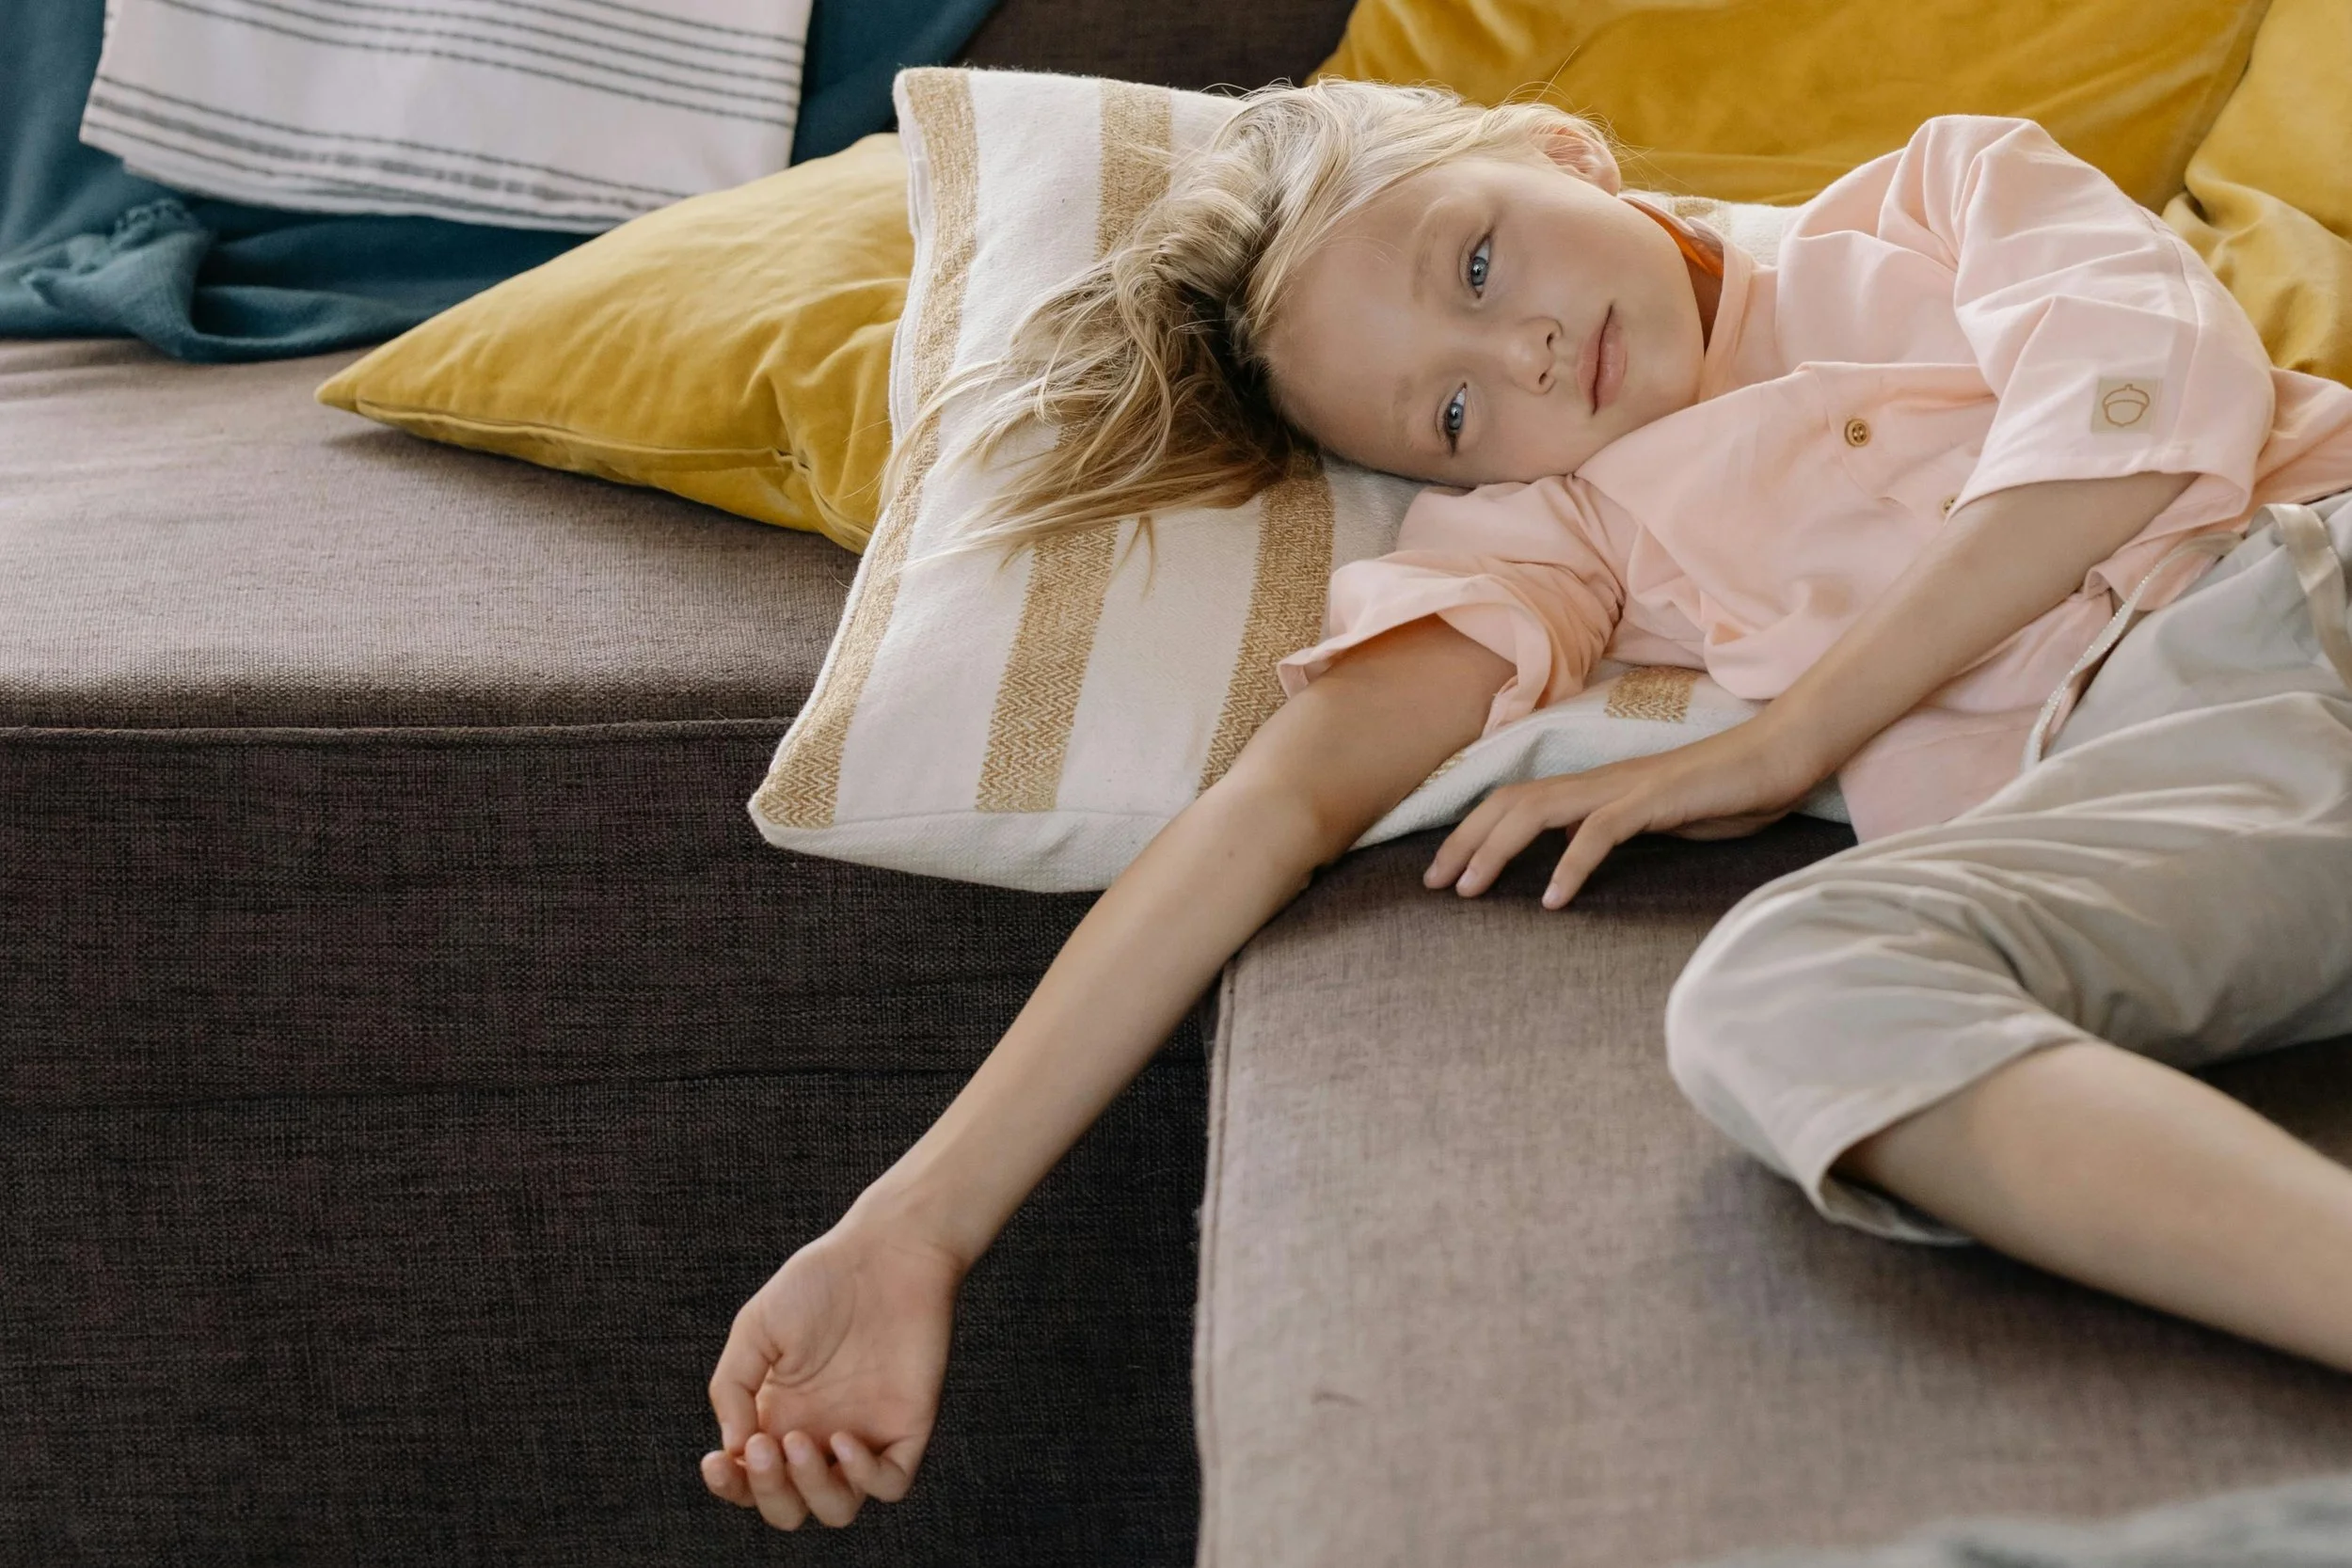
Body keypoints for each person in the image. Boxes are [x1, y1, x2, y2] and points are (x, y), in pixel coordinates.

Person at [698, 80, 2352, 1530]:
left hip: (2309, 572)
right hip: (2195, 803)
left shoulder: (1948, 195)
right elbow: (1272, 807)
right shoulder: (1567, 537)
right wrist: (911, 1222)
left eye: (1481, 264)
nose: (1527, 351)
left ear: (1559, 149)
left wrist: (1785, 746)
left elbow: (2140, 431)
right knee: (1787, 999)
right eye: (1458, 413)